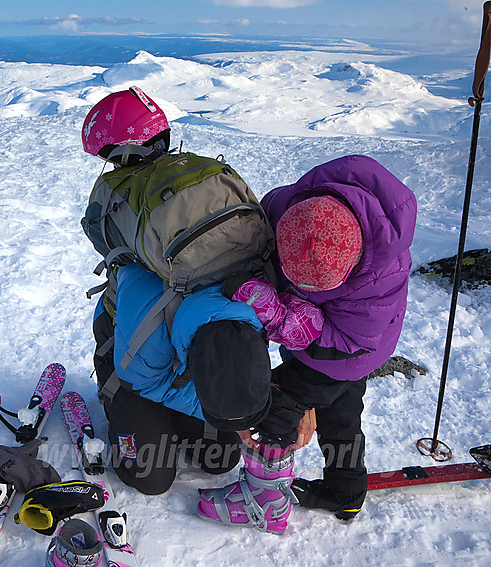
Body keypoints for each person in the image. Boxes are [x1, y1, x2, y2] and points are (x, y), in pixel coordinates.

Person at [81, 88, 297, 497]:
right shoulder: (157, 313)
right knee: (151, 477)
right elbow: (145, 379)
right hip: (133, 354)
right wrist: (231, 418)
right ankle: (122, 406)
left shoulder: (255, 312)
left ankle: (174, 415)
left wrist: (252, 412)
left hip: (178, 341)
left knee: (220, 459)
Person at [198, 154, 417, 532]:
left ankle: (265, 502)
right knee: (341, 414)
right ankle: (345, 493)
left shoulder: (379, 277)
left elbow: (336, 341)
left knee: (278, 405)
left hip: (348, 347)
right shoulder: (286, 209)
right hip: (326, 332)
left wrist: (276, 312)